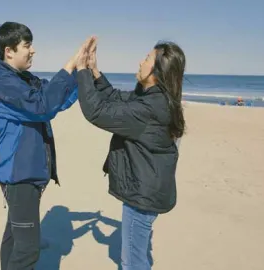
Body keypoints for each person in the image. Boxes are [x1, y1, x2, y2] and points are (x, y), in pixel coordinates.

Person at [75, 37, 186, 270]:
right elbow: (116, 99)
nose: (140, 62)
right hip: (149, 190)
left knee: (132, 264)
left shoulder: (149, 108)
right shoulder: (155, 98)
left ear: (158, 71)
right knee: (138, 258)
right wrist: (94, 71)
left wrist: (81, 70)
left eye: (147, 59)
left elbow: (96, 111)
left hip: (142, 196)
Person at [0, 22, 85, 270]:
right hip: (19, 174)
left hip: (27, 172)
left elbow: (55, 99)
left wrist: (80, 73)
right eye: (27, 45)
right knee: (27, 249)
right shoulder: (3, 83)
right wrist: (70, 65)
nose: (33, 51)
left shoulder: (23, 79)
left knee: (15, 237)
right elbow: (42, 107)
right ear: (9, 51)